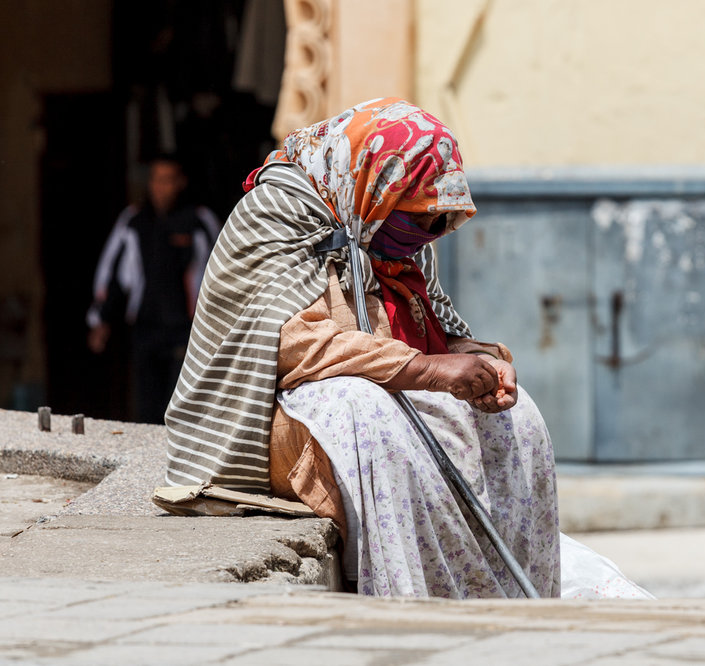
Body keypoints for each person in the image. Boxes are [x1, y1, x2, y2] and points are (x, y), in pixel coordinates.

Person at [164, 98, 561, 598]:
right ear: (378, 187)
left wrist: (482, 362)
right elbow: (291, 345)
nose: (430, 234)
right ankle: (403, 600)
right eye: (420, 219)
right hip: (266, 419)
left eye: (440, 221)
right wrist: (429, 369)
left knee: (517, 418)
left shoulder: (384, 226)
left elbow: (435, 328)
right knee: (362, 409)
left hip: (389, 393)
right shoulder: (273, 215)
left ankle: (508, 598)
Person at [88, 155, 221, 423]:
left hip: (187, 331)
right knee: (146, 409)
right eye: (156, 180)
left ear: (181, 183)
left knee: (182, 408)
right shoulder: (134, 220)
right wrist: (100, 319)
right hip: (145, 328)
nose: (161, 188)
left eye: (168, 180)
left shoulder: (199, 220)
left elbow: (221, 271)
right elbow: (113, 273)